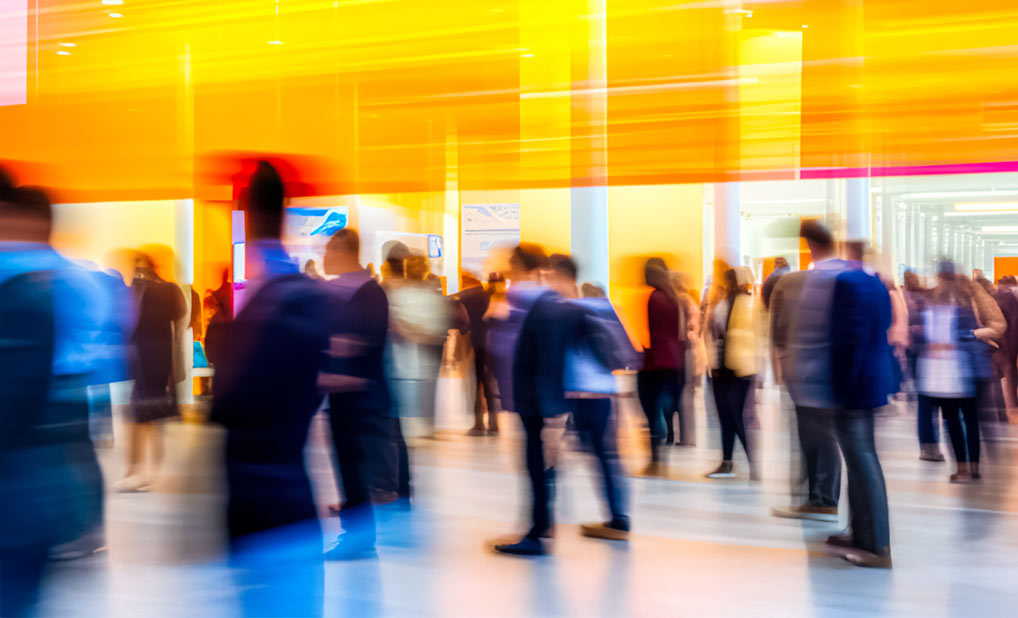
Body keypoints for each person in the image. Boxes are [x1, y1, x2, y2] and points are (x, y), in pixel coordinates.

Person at [210, 161, 326, 616]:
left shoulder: (285, 298)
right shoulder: (285, 293)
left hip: (272, 499)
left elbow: (246, 400)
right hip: (270, 492)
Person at [491, 245, 607, 556]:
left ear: (518, 264)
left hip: (534, 395)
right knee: (541, 463)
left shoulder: (524, 297)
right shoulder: (550, 299)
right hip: (547, 393)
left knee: (535, 463)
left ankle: (537, 532)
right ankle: (539, 528)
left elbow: (510, 347)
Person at [546, 255, 637, 540]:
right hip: (606, 392)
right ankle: (617, 518)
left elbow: (556, 357)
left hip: (578, 392)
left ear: (560, 276)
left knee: (552, 454)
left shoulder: (567, 310)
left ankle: (542, 521)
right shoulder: (603, 306)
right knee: (605, 457)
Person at [319, 228, 395, 560]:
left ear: (344, 251)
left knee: (355, 464)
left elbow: (360, 344)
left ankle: (359, 539)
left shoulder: (368, 293)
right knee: (348, 464)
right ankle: (354, 521)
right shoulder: (350, 291)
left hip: (359, 395)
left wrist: (335, 351)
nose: (324, 257)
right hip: (345, 394)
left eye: (329, 250)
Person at [770, 221, 846, 515]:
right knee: (818, 439)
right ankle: (819, 496)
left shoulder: (797, 284)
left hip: (812, 376)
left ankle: (823, 498)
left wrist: (783, 363)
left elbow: (781, 331)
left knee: (819, 439)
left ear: (811, 246)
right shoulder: (840, 279)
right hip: (820, 377)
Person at [826, 250, 896, 568]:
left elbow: (848, 341)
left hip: (854, 387)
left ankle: (878, 544)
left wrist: (839, 388)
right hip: (871, 381)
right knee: (860, 461)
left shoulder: (846, 285)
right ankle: (862, 534)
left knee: (863, 462)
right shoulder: (875, 283)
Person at [912, 263, 998, 483]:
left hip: (961, 370)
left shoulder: (961, 306)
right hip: (955, 371)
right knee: (962, 420)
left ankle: (967, 467)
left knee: (961, 420)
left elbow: (970, 333)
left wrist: (955, 340)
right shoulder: (952, 304)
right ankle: (968, 466)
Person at [117, 250, 187, 492]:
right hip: (151, 358)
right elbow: (180, 322)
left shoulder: (155, 290)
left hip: (153, 358)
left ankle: (145, 472)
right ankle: (141, 471)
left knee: (148, 415)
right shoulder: (164, 290)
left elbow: (179, 323)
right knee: (146, 415)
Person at [703, 265, 757, 479]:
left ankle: (752, 462)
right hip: (723, 367)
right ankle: (727, 462)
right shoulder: (722, 304)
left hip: (738, 367)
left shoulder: (746, 305)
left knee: (733, 414)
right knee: (726, 415)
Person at [637, 257, 686, 475]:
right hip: (672, 359)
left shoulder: (654, 298)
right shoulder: (672, 297)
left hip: (656, 360)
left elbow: (653, 332)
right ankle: (658, 458)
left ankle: (655, 459)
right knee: (658, 408)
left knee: (651, 409)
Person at [459, 273, 499, 436]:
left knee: (476, 384)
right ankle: (493, 423)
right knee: (488, 383)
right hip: (490, 344)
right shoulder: (488, 297)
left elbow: (461, 323)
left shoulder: (466, 297)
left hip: (475, 344)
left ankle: (478, 423)